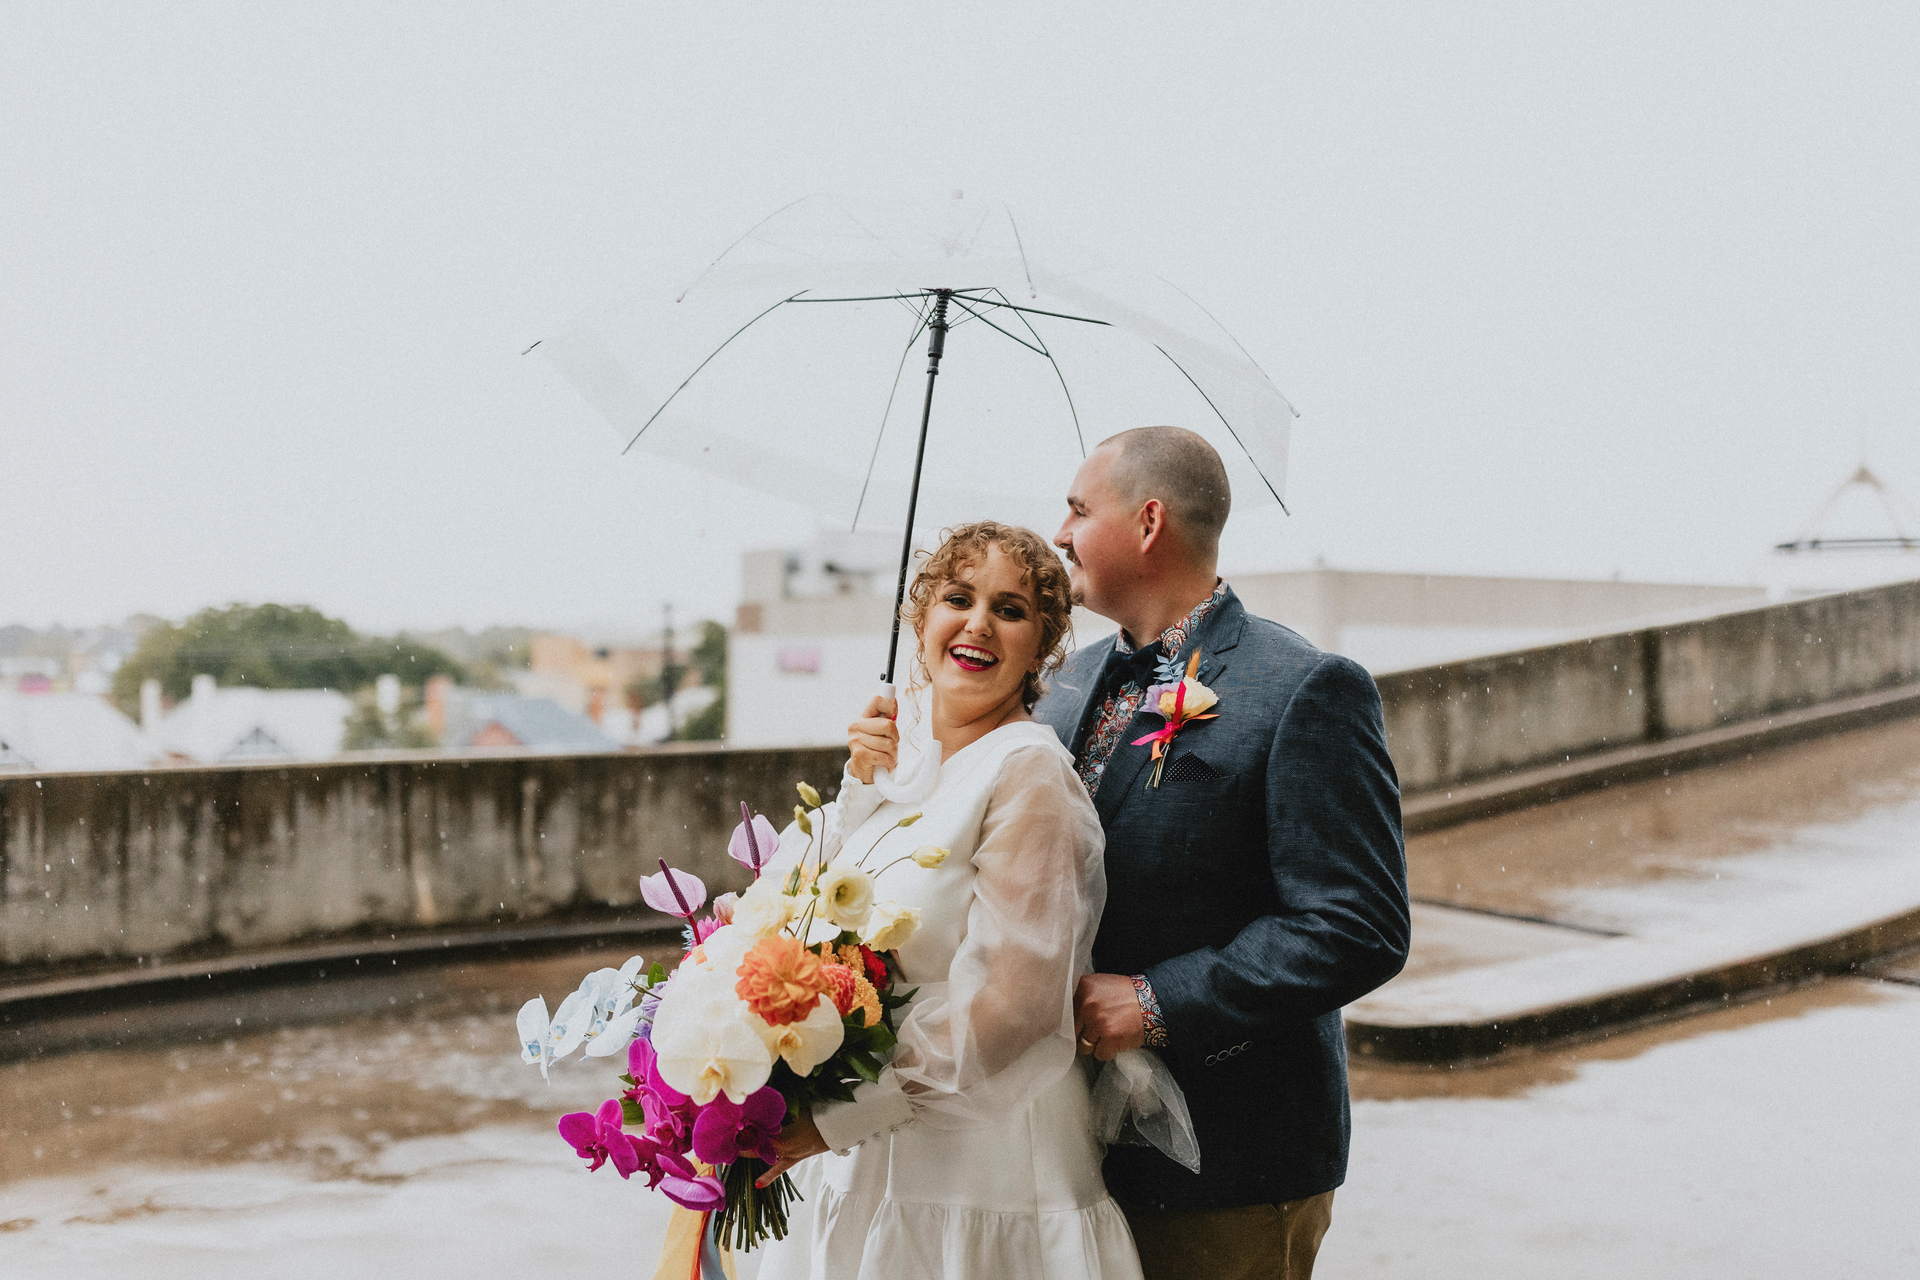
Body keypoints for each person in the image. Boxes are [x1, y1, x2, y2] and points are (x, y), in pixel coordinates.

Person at [1039, 426, 1410, 1280]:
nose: (1059, 534)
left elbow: (1357, 925)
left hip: (1229, 1167)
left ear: (1148, 522)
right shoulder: (1060, 684)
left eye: (1078, 508)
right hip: (1066, 1161)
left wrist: (1157, 1000)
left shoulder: (1305, 688)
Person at [755, 521, 1144, 1280]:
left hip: (983, 1177)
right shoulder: (893, 763)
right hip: (862, 1164)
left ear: (1042, 648)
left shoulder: (1028, 774)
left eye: (1011, 609)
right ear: (920, 619)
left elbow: (1017, 1004)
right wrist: (861, 787)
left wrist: (840, 1115)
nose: (977, 624)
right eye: (957, 598)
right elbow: (799, 926)